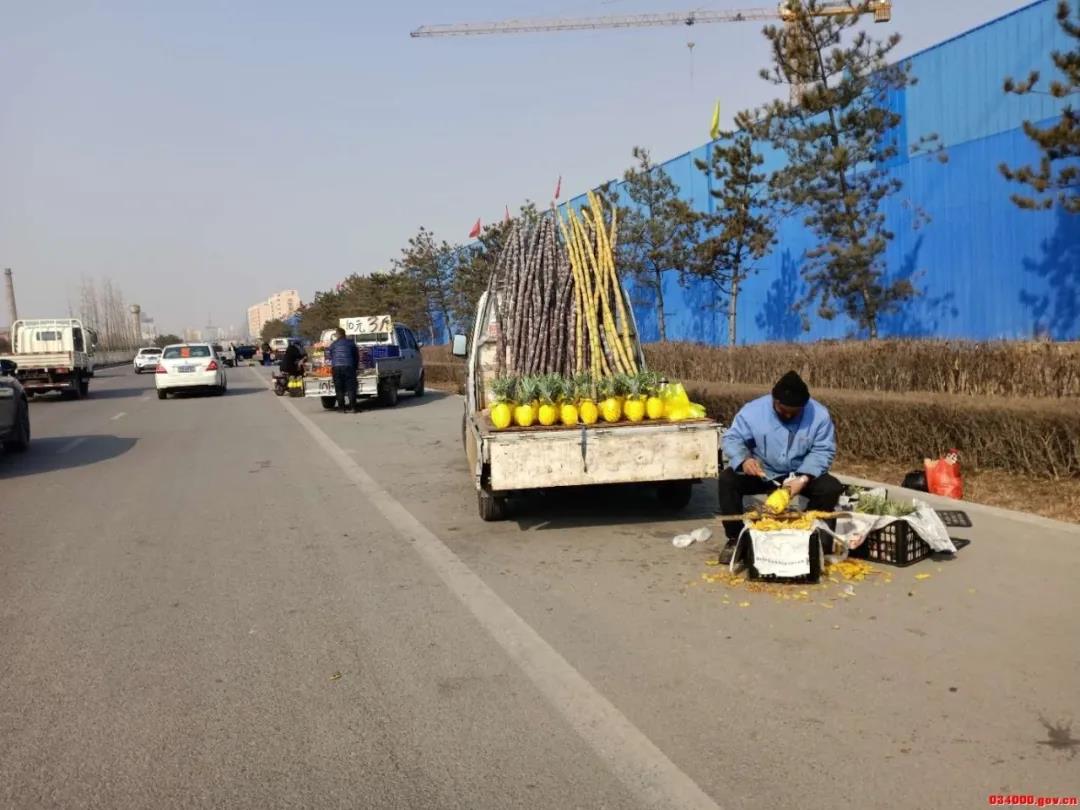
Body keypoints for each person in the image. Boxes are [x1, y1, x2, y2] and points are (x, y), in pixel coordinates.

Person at [718, 370, 843, 564]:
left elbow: (823, 450)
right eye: (783, 410)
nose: (788, 414)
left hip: (800, 473)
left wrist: (803, 478)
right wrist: (744, 460)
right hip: (763, 472)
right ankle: (736, 539)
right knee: (727, 480)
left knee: (830, 487)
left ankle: (810, 534)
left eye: (794, 412)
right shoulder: (752, 411)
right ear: (774, 400)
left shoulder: (819, 416)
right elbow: (732, 438)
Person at [328, 328, 360, 413]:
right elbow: (356, 356)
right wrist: (356, 367)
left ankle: (341, 408)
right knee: (351, 388)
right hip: (349, 366)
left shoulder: (333, 344)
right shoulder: (351, 343)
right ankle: (353, 407)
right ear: (344, 334)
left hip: (336, 367)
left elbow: (331, 356)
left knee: (339, 389)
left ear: (337, 335)